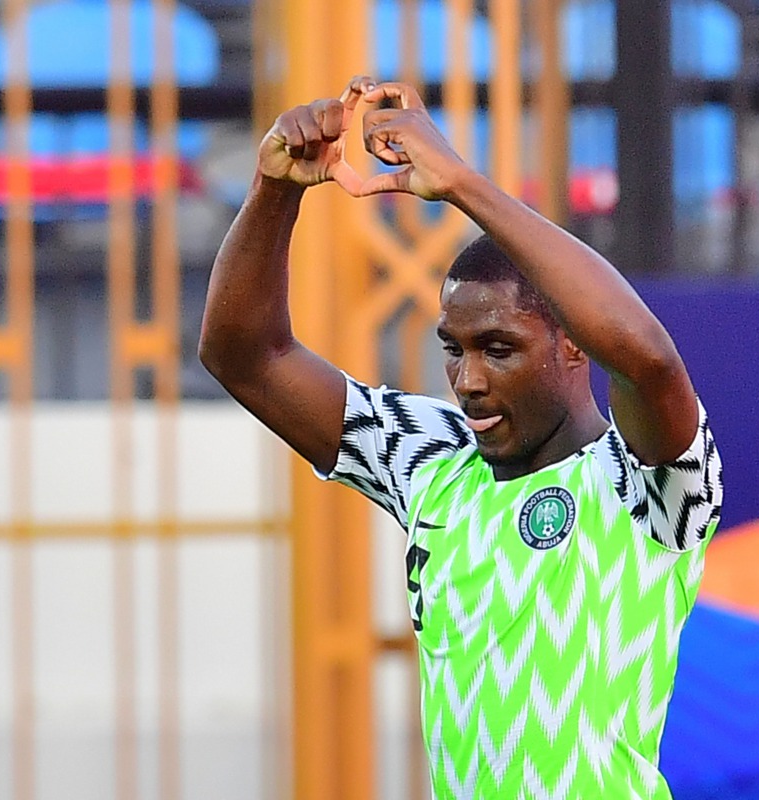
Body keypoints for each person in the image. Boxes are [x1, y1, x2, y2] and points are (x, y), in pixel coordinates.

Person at [199, 75, 724, 800]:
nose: (468, 379)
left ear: (575, 345)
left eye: (499, 348)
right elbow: (247, 356)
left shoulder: (650, 485)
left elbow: (649, 359)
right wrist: (273, 188)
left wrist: (462, 185)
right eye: (455, 348)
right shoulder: (429, 460)